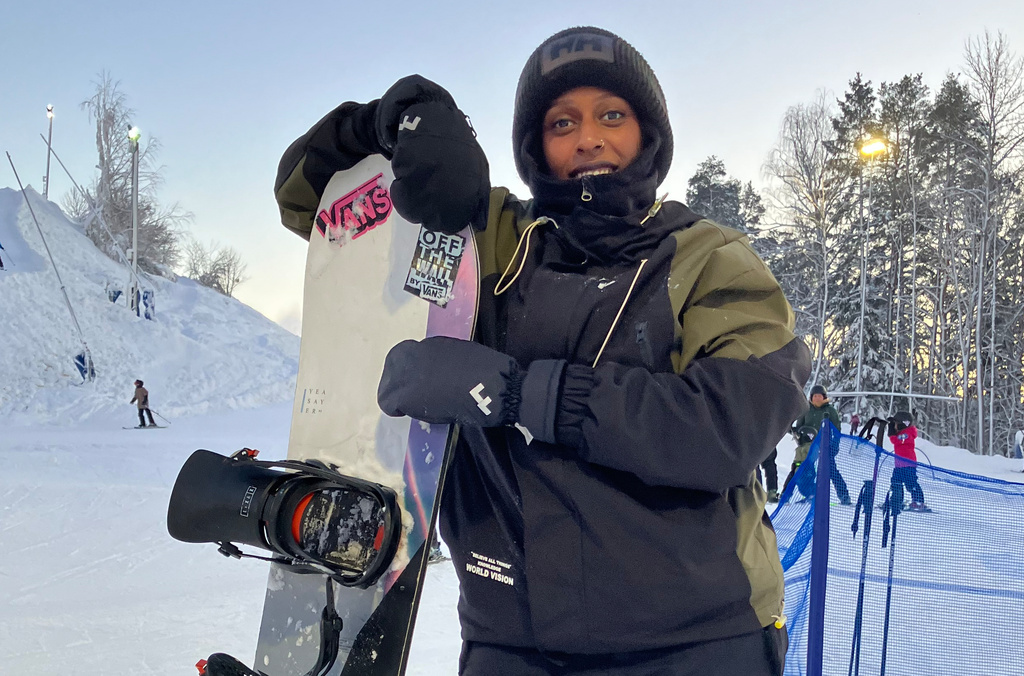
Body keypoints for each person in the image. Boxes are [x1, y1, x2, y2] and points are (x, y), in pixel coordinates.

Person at [274, 26, 811, 675]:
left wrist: (512, 393)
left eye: (611, 115)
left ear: (650, 134)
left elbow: (728, 426)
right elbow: (311, 205)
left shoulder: (709, 259)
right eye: (562, 121)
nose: (588, 136)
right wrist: (389, 127)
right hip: (511, 642)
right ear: (534, 144)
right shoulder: (490, 243)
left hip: (694, 639)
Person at [790, 384, 850, 504]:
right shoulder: (806, 409)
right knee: (805, 470)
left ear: (824, 397)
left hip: (825, 447)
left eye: (819, 396)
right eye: (815, 396)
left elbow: (837, 430)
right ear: (811, 397)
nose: (817, 398)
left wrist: (834, 445)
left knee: (831, 470)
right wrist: (798, 435)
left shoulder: (830, 410)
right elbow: (799, 427)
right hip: (808, 447)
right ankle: (811, 493)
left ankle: (844, 495)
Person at [888, 410, 927, 510]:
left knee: (911, 484)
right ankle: (896, 501)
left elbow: (896, 441)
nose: (895, 426)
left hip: (908, 465)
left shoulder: (908, 434)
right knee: (896, 483)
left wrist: (892, 433)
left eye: (896, 424)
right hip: (899, 465)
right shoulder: (902, 433)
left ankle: (918, 502)